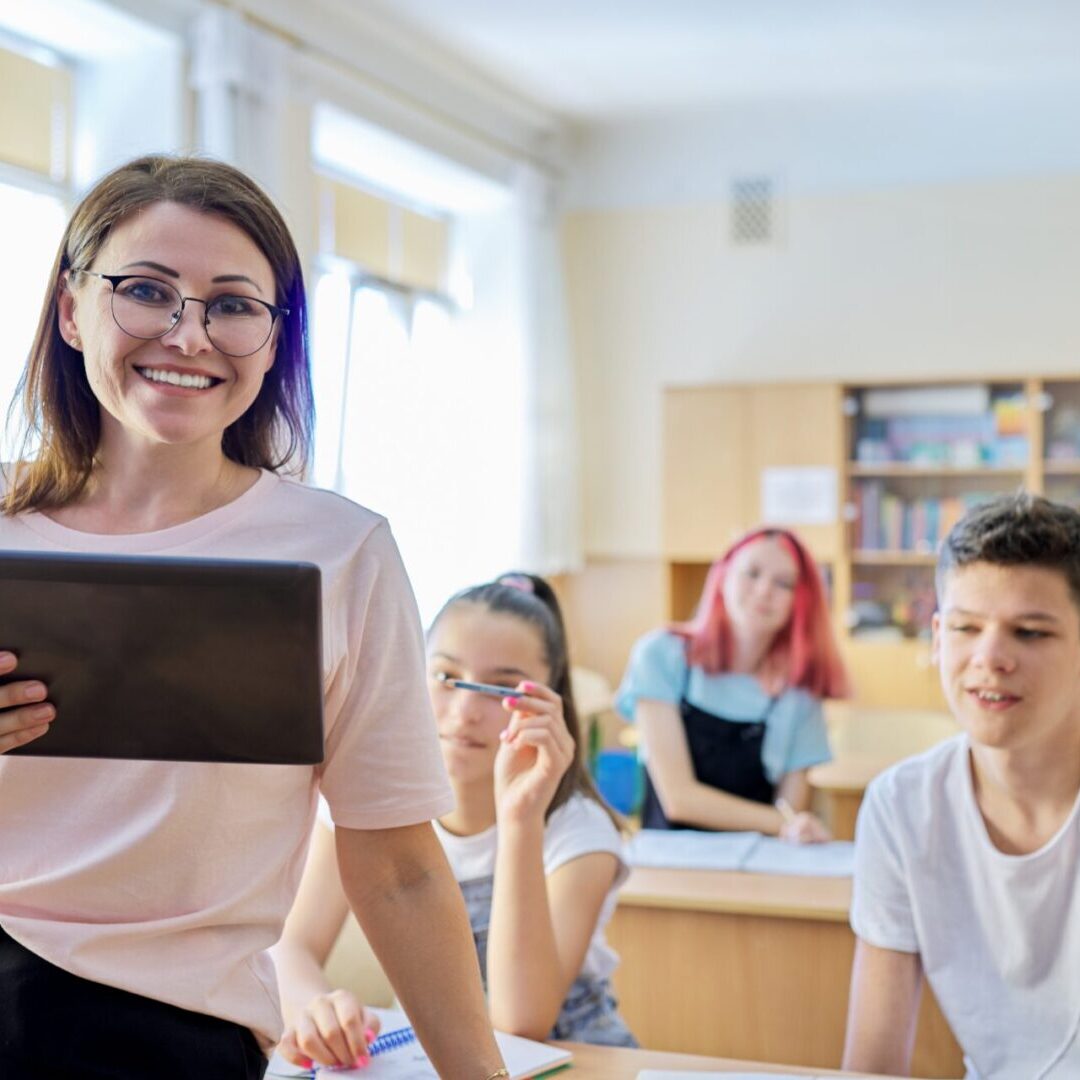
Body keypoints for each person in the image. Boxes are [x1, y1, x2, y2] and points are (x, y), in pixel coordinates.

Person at [0, 155, 504, 1080]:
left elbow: (395, 866)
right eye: (146, 291)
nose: (189, 335)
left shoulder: (339, 552)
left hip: (172, 1034)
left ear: (276, 340)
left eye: (232, 305)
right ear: (71, 309)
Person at [272, 573, 637, 1069]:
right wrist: (316, 1007)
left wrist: (519, 818)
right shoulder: (370, 805)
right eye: (446, 678)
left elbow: (520, 1022)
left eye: (501, 689)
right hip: (426, 1064)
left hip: (579, 1064)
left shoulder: (579, 832)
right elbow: (292, 947)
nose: (464, 711)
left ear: (547, 702)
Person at [844, 494, 1080, 1079]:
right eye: (965, 628)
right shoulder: (901, 808)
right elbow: (872, 1066)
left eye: (1029, 632)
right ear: (936, 637)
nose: (989, 657)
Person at [616, 526, 850, 839]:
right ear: (723, 576)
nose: (764, 590)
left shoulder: (799, 693)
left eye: (783, 583)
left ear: (800, 602)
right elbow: (678, 800)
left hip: (756, 871)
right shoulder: (660, 655)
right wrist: (783, 823)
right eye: (752, 573)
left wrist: (790, 825)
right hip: (668, 862)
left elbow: (790, 807)